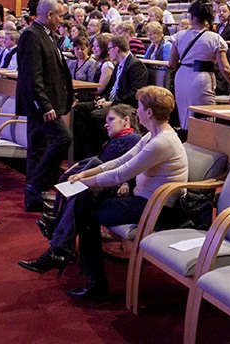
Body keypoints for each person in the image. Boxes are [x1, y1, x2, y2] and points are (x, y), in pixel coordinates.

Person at [64, 87, 188, 301]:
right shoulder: (153, 135)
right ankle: (68, 253)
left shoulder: (162, 142)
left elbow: (120, 174)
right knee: (85, 201)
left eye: (139, 107)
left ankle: (96, 283)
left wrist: (83, 183)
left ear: (149, 112)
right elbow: (120, 161)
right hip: (144, 201)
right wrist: (85, 174)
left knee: (86, 211)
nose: (136, 111)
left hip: (156, 209)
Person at [21, 104, 143, 274]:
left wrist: (127, 183)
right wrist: (81, 167)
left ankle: (59, 244)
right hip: (104, 182)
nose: (106, 124)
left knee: (82, 193)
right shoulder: (116, 139)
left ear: (126, 120)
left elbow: (131, 167)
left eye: (111, 119)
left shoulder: (134, 139)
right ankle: (60, 243)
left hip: (115, 188)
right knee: (74, 183)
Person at [17, 0, 75, 212]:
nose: (61, 20)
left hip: (47, 102)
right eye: (59, 16)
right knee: (63, 137)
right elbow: (32, 75)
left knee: (38, 148)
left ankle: (33, 197)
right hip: (40, 105)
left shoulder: (48, 35)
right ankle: (36, 185)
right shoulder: (31, 35)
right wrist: (44, 105)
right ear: (49, 15)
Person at [170, 0, 230, 130]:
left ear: (191, 16)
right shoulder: (215, 38)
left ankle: (186, 138)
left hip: (181, 76)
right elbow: (225, 68)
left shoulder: (179, 36)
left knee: (184, 115)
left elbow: (172, 63)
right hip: (202, 77)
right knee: (204, 116)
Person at [74, 35, 149, 159]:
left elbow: (135, 93)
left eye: (109, 49)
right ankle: (80, 152)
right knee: (78, 109)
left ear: (116, 49)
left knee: (96, 116)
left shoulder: (135, 65)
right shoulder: (119, 65)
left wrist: (112, 103)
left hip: (124, 105)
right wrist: (104, 98)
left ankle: (100, 154)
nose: (108, 52)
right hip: (112, 101)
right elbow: (111, 88)